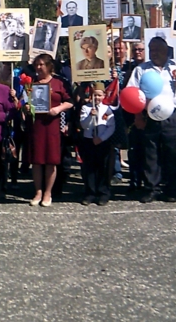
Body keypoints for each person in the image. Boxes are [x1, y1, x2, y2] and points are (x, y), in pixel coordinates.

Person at [126, 36, 176, 203]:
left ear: (166, 51)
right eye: (151, 50)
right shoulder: (141, 70)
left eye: (158, 49)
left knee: (173, 152)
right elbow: (132, 94)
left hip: (173, 115)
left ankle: (171, 188)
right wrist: (138, 116)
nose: (154, 53)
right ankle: (152, 188)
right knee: (151, 154)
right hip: (149, 116)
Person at [26, 54, 73, 207]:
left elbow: (70, 102)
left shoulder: (59, 83)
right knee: (37, 160)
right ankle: (38, 191)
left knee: (51, 160)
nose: (38, 68)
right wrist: (26, 106)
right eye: (36, 65)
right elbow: (24, 100)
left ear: (49, 66)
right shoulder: (32, 82)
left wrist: (58, 109)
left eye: (41, 65)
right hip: (36, 125)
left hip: (52, 124)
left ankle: (48, 192)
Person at [77, 82, 116, 205]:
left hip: (102, 141)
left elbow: (111, 126)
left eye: (99, 95)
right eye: (94, 95)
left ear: (104, 95)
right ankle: (90, 193)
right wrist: (90, 116)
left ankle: (103, 192)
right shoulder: (86, 108)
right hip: (89, 140)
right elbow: (83, 124)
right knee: (90, 168)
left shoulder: (107, 109)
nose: (97, 98)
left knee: (103, 167)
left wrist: (102, 138)